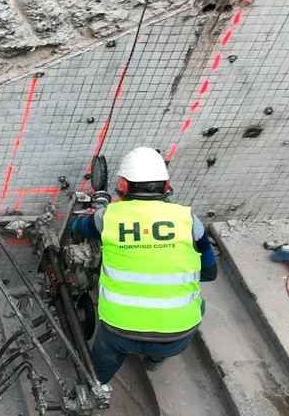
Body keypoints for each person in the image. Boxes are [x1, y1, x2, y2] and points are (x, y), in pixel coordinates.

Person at [72, 147, 217, 383]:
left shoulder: (108, 217)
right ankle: (154, 360)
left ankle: (96, 384)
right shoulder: (188, 220)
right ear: (167, 187)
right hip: (177, 335)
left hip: (120, 331)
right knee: (199, 306)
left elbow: (78, 228)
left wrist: (95, 214)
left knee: (105, 355)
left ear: (124, 187)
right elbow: (210, 272)